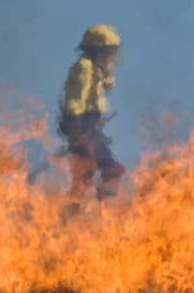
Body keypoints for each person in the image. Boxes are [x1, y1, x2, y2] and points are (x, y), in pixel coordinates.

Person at [59, 24, 125, 201]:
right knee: (109, 166)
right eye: (108, 52)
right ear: (97, 50)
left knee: (83, 176)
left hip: (88, 125)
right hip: (82, 125)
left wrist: (106, 77)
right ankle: (105, 194)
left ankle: (72, 214)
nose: (110, 57)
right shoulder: (85, 67)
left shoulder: (95, 69)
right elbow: (75, 98)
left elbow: (100, 87)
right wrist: (76, 127)